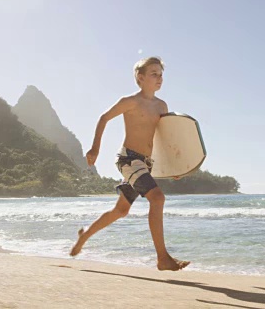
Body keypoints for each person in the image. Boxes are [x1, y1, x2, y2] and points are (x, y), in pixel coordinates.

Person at [70, 56, 189, 271]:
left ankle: (83, 236)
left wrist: (173, 167)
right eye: (154, 74)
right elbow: (104, 118)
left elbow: (163, 139)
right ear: (140, 78)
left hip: (145, 163)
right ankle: (163, 258)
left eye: (161, 74)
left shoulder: (162, 106)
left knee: (121, 210)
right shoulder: (130, 102)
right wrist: (95, 148)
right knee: (158, 198)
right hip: (128, 159)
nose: (159, 78)